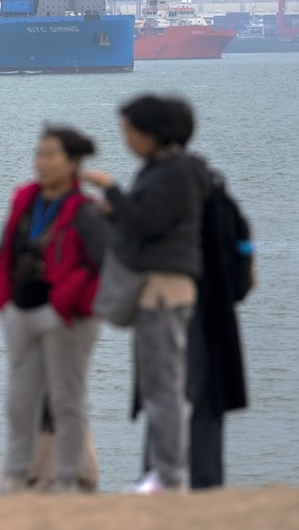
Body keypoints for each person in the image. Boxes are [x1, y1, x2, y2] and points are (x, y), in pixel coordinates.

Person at [82, 95, 207, 494]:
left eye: (131, 132)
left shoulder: (174, 173)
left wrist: (111, 190)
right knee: (157, 384)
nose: (127, 141)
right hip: (158, 291)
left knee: (163, 385)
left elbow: (147, 222)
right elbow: (146, 217)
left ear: (154, 133)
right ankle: (163, 470)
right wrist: (111, 209)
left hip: (164, 291)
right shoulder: (165, 170)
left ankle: (169, 476)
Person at [0, 128, 110, 494]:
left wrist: (66, 303)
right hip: (21, 312)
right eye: (39, 153)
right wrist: (4, 303)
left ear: (74, 163)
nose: (41, 162)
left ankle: (68, 480)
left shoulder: (86, 212)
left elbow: (104, 265)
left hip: (64, 317)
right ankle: (14, 480)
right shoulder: (25, 201)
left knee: (66, 402)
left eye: (51, 155)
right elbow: (4, 251)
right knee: (19, 402)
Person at [166, 99, 252, 490]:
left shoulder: (173, 183)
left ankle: (176, 479)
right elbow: (243, 240)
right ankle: (205, 480)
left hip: (190, 307)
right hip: (218, 306)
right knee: (207, 399)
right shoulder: (213, 184)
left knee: (173, 395)